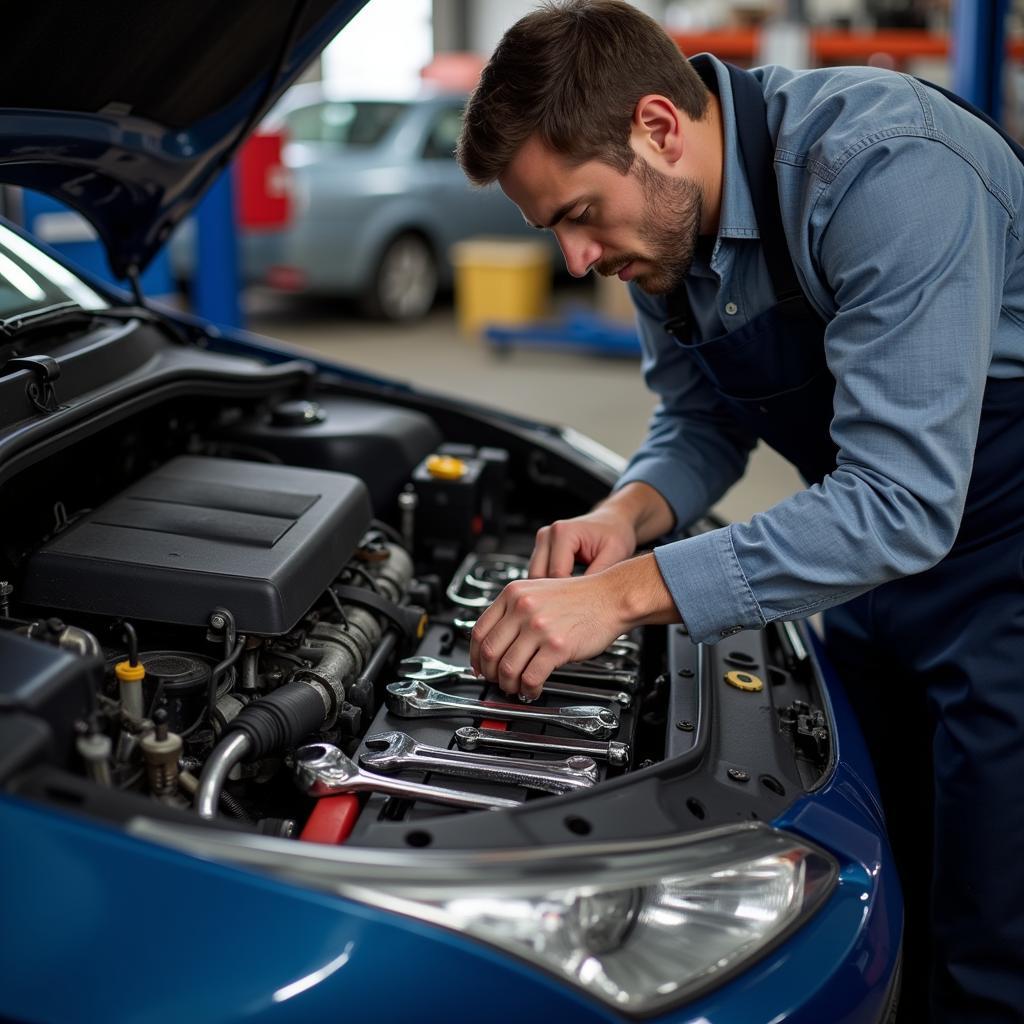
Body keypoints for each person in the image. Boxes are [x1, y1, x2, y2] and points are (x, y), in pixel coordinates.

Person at [455, 1, 1024, 1021]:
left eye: (581, 214)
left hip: (1002, 552)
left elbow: (901, 498)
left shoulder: (885, 169)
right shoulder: (662, 226)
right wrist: (628, 514)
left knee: (992, 917)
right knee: (876, 859)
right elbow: (701, 417)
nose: (577, 259)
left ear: (659, 127)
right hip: (865, 554)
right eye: (555, 232)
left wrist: (623, 599)